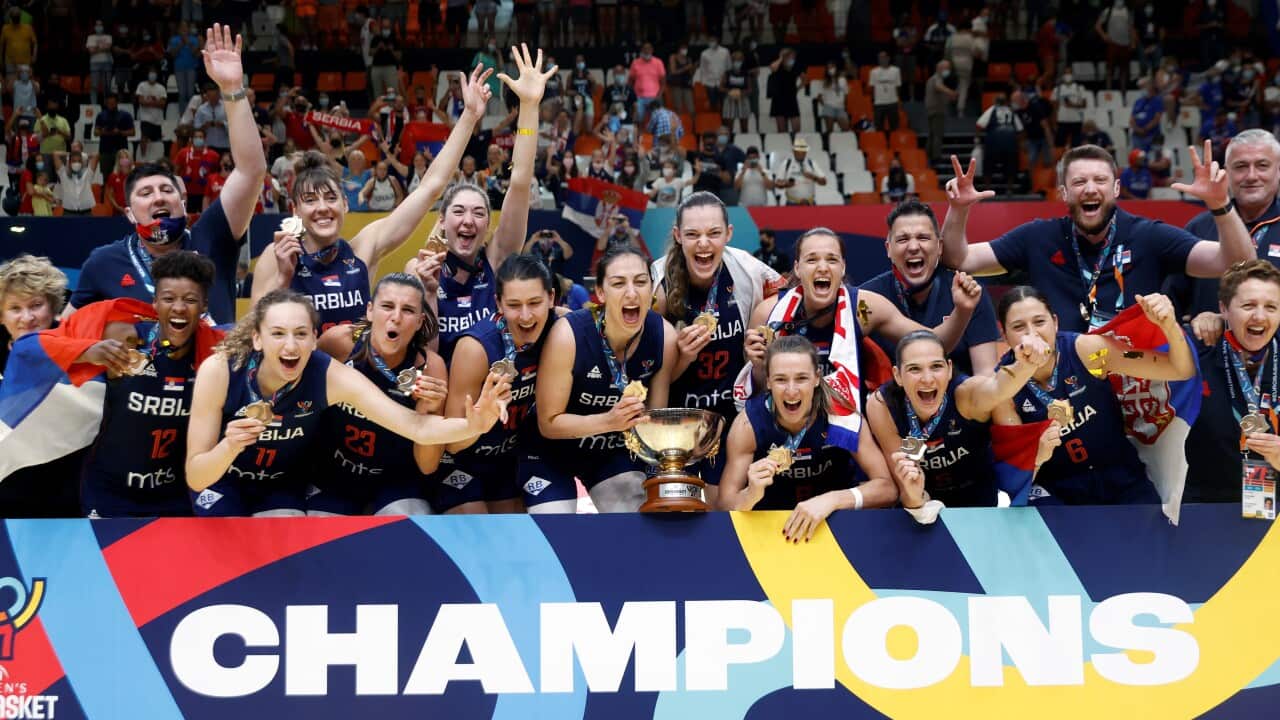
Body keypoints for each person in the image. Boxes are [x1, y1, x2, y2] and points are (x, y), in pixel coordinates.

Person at [185, 289, 508, 516]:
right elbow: (196, 476)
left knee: (287, 544)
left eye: (301, 334)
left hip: (280, 484)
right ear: (257, 338)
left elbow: (416, 427)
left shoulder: (328, 375)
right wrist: (229, 446)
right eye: (278, 333)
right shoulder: (220, 370)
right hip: (222, 479)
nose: (291, 345)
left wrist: (473, 425)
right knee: (224, 544)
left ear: (315, 339)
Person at [254, 65, 495, 332]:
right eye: (310, 200)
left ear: (345, 204)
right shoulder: (277, 255)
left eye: (331, 198)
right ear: (295, 210)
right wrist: (283, 278)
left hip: (357, 360)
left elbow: (430, 188)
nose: (322, 208)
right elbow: (254, 332)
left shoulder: (363, 249)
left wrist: (468, 117)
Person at [67, 24, 267, 326]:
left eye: (167, 190)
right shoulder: (104, 262)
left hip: (215, 358)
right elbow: (65, 331)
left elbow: (251, 171)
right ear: (129, 213)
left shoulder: (211, 236)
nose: (159, 197)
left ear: (183, 204)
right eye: (146, 193)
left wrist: (231, 90)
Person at [940, 143, 1255, 333]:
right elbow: (960, 259)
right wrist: (958, 210)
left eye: (1100, 180)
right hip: (1062, 386)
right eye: (1079, 182)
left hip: (1135, 384)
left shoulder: (1149, 236)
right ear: (1064, 193)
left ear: (1116, 189)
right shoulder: (1037, 236)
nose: (1090, 189)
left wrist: (1220, 205)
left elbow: (1237, 263)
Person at [404, 45, 556, 362]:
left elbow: (520, 181)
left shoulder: (497, 259)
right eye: (458, 211)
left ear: (488, 225)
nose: (468, 220)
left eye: (478, 213)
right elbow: (424, 356)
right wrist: (428, 292)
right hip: (438, 386)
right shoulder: (420, 269)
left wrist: (529, 107)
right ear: (442, 220)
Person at [996, 286, 1194, 504]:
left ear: (1055, 322)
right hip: (1057, 492)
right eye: (1018, 327)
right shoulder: (1003, 390)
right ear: (1003, 335)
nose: (1032, 334)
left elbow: (1178, 370)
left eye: (1039, 322)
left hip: (1122, 479)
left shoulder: (1091, 352)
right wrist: (1037, 458)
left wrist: (1169, 326)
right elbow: (1012, 484)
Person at [652, 192, 783, 503]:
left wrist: (761, 351)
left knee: (721, 508)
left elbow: (793, 301)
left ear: (729, 233)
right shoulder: (656, 284)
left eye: (713, 233)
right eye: (692, 234)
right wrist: (682, 357)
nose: (703, 243)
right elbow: (650, 378)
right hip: (676, 421)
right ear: (677, 235)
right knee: (677, 510)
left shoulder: (749, 270)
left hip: (731, 419)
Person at [743, 227, 982, 395]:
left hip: (848, 425)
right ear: (797, 268)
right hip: (787, 420)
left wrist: (962, 310)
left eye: (832, 260)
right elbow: (755, 393)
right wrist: (758, 366)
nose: (823, 268)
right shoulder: (768, 314)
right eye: (812, 260)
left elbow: (934, 345)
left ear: (843, 267)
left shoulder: (863, 308)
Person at [534, 245, 678, 512]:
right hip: (552, 452)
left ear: (651, 289)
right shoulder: (568, 335)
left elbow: (653, 423)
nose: (632, 293)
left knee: (633, 516)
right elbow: (548, 423)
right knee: (554, 523)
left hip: (610, 452)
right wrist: (609, 421)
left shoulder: (665, 336)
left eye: (640, 282)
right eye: (619, 283)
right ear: (600, 292)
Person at [78, 252, 223, 518]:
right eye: (168, 298)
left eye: (190, 300)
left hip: (176, 496)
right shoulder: (122, 338)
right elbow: (52, 348)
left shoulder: (215, 354)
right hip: (110, 494)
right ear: (155, 302)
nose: (179, 307)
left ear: (204, 305)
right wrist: (85, 353)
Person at [719, 335, 897, 541]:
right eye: (781, 379)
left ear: (817, 378)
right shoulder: (748, 424)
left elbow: (887, 488)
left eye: (801, 378)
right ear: (767, 381)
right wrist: (750, 494)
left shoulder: (842, 415)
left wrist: (833, 500)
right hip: (771, 529)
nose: (791, 391)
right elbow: (723, 507)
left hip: (836, 524)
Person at [866, 329, 1055, 509]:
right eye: (914, 369)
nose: (927, 379)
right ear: (898, 375)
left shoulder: (965, 395)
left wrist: (1025, 365)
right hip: (924, 509)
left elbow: (998, 388)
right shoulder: (882, 406)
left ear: (949, 369)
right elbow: (906, 491)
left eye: (936, 366)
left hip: (983, 506)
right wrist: (915, 497)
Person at [310, 274, 447, 516]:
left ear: (419, 321)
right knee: (318, 532)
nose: (396, 317)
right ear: (370, 311)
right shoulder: (339, 343)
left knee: (412, 524)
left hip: (396, 482)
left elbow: (428, 466)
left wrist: (429, 411)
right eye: (387, 306)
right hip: (335, 476)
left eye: (408, 310)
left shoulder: (430, 368)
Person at [442, 255, 566, 513]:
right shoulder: (474, 350)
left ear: (551, 298)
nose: (525, 316)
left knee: (516, 531)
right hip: (461, 459)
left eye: (535, 303)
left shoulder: (563, 331)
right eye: (514, 305)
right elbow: (451, 443)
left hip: (511, 458)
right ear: (498, 302)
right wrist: (481, 420)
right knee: (477, 527)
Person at [860, 199, 999, 377]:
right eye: (902, 239)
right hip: (891, 394)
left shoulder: (969, 292)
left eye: (923, 238)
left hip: (960, 394)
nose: (913, 247)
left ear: (939, 247)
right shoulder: (866, 299)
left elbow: (986, 374)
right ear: (889, 249)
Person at [1185, 260, 1280, 503]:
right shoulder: (1199, 349)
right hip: (1205, 506)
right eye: (1248, 305)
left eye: (1271, 307)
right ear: (1224, 308)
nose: (1260, 316)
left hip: (1275, 507)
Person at [1171, 130, 1280, 324]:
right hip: (1206, 344)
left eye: (1262, 166)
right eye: (1241, 167)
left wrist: (1228, 320)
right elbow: (1171, 304)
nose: (1251, 176)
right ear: (1226, 173)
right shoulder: (1198, 228)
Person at [0, 255, 80, 518]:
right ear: (1, 315)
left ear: (53, 306)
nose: (27, 317)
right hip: (6, 489)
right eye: (15, 308)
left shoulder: (80, 352)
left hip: (67, 492)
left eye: (36, 305)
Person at [975, 93, 1023, 194]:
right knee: (1011, 164)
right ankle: (1009, 188)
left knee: (988, 163)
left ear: (995, 102)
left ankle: (987, 188)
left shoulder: (992, 109)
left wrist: (977, 139)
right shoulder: (1011, 111)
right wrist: (1018, 143)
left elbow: (979, 124)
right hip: (1010, 140)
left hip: (994, 139)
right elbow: (1020, 129)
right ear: (1006, 102)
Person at [774, 138, 826, 206]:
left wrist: (813, 177)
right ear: (794, 151)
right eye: (798, 151)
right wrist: (786, 184)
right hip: (792, 204)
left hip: (810, 203)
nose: (801, 153)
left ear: (806, 152)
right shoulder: (786, 163)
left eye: (803, 151)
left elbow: (824, 182)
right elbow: (777, 184)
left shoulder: (811, 163)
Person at [924, 61, 957, 162]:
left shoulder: (935, 79)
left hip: (933, 109)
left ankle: (929, 154)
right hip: (937, 110)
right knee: (937, 134)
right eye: (946, 68)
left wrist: (948, 97)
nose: (948, 70)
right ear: (939, 68)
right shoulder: (936, 78)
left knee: (932, 133)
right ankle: (935, 157)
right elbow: (938, 87)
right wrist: (951, 92)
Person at [767, 48, 802, 133]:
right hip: (778, 99)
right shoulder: (778, 65)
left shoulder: (795, 66)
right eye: (790, 56)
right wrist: (781, 58)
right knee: (782, 131)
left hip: (791, 98)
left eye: (794, 57)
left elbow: (804, 78)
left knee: (797, 128)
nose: (792, 58)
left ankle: (795, 141)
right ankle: (784, 141)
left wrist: (798, 88)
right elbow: (772, 68)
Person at [1051, 70, 1087, 149]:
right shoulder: (1057, 89)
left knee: (1076, 145)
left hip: (1076, 120)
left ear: (1072, 75)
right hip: (1062, 120)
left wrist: (1072, 105)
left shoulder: (1079, 88)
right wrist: (1054, 122)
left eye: (1069, 73)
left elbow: (1084, 104)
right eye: (1066, 73)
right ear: (1063, 76)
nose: (1068, 75)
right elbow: (1054, 108)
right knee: (1059, 145)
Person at [868, 51, 902, 132]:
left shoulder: (896, 70)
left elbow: (898, 86)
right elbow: (872, 88)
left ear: (888, 58)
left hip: (892, 102)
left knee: (894, 126)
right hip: (879, 103)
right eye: (879, 58)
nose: (881, 59)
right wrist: (874, 101)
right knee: (878, 127)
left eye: (883, 57)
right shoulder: (873, 72)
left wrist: (898, 99)